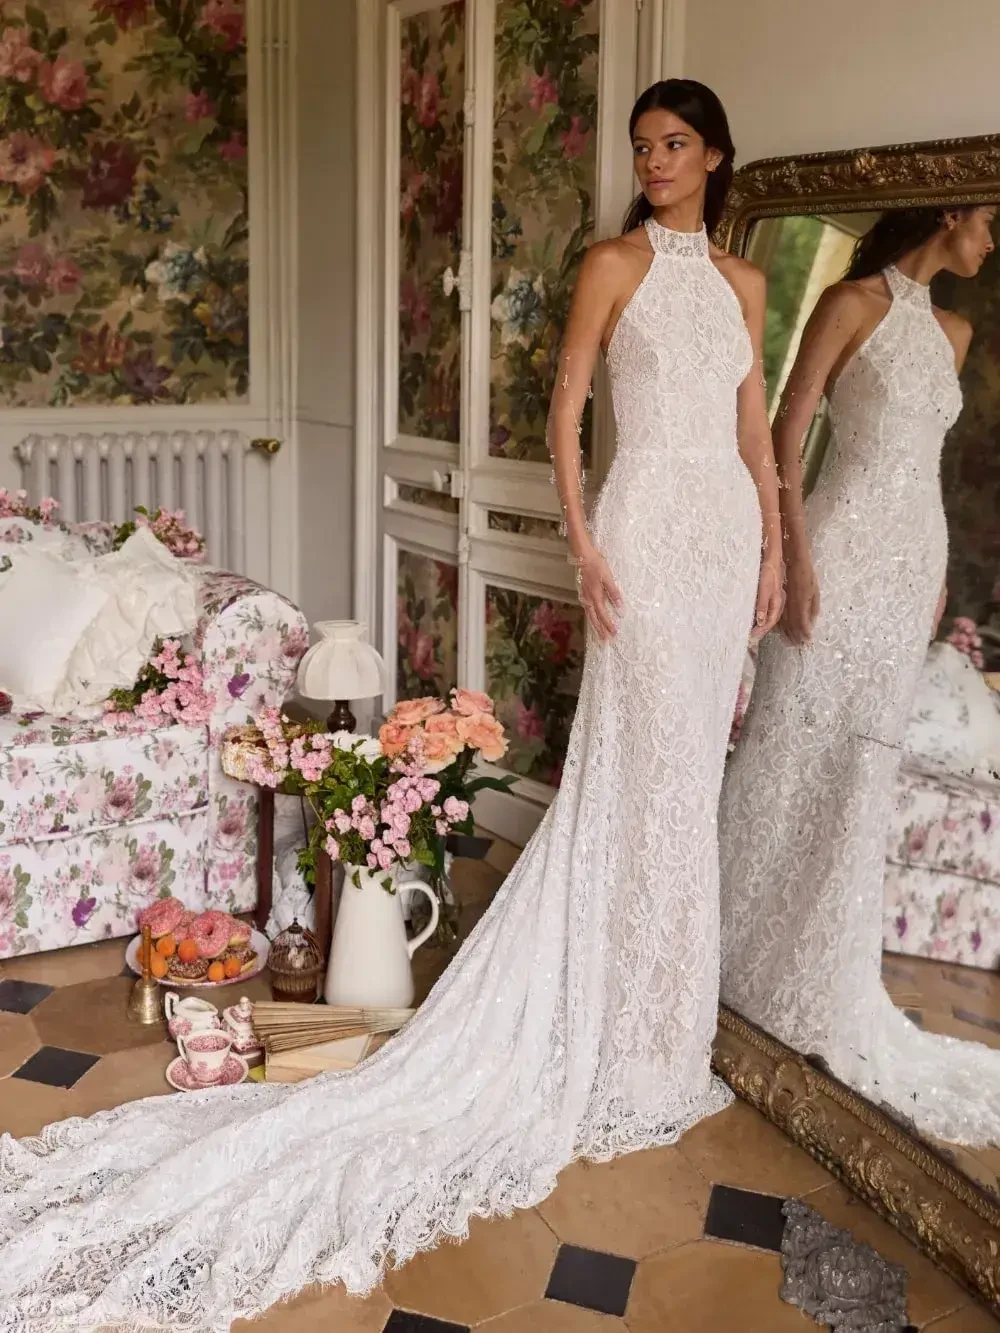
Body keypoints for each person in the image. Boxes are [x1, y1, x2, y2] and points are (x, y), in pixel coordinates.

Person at [0, 79, 782, 1331]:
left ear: (716, 155)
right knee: (637, 775)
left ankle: (656, 1035)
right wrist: (584, 543)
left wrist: (778, 552)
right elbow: (567, 404)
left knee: (693, 779)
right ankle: (606, 1020)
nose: (655, 162)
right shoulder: (610, 262)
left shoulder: (744, 288)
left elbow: (755, 435)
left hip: (725, 538)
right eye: (643, 147)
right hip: (641, 534)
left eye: (675, 145)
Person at [719, 204, 1000, 1144]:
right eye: (992, 220)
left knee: (859, 775)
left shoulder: (954, 332)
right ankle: (723, 967)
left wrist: (942, 572)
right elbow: (787, 440)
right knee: (783, 753)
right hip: (834, 548)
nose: (993, 243)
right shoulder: (848, 303)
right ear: (952, 210)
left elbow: (927, 466)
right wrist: (792, 563)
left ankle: (816, 982)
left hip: (911, 561)